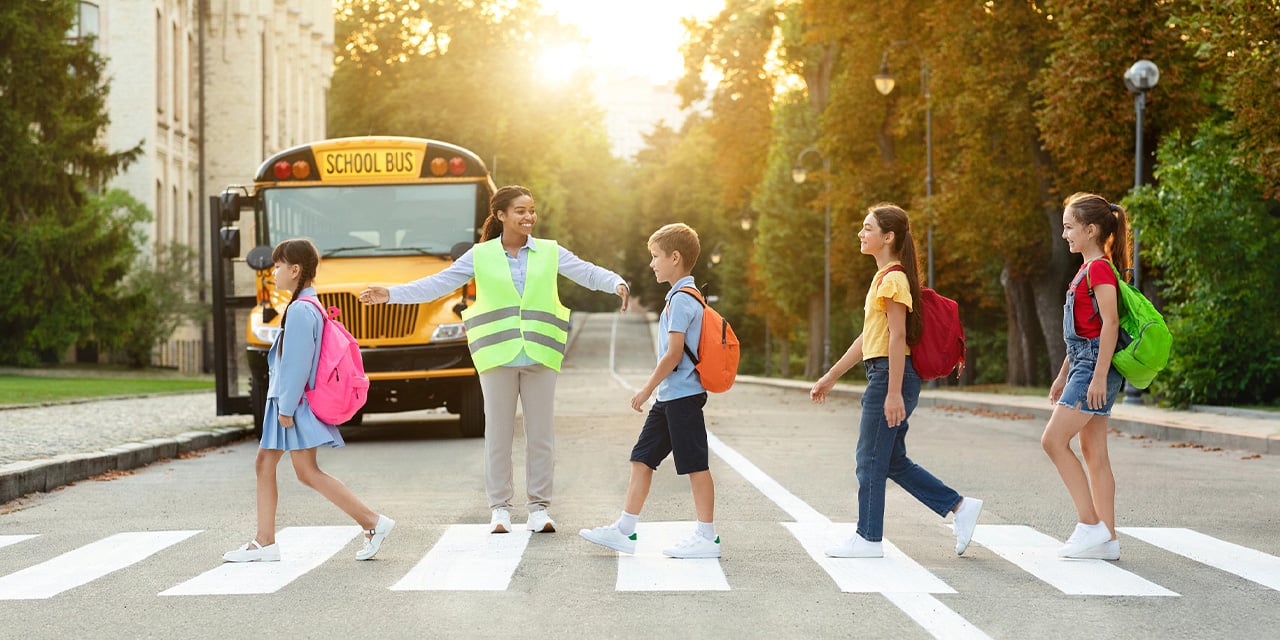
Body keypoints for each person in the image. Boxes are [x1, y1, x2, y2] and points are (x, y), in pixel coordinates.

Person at [360, 185, 629, 534]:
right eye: (520, 210)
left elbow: (588, 272)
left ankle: (538, 509)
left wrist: (616, 283)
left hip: (540, 354)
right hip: (496, 356)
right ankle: (500, 508)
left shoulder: (549, 252)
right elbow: (437, 285)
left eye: (531, 209)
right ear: (501, 215)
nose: (528, 216)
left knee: (541, 435)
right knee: (498, 435)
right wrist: (390, 294)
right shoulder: (480, 255)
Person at [808, 203, 983, 559]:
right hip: (885, 373)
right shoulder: (883, 279)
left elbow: (898, 338)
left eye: (867, 228)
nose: (861, 233)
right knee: (891, 461)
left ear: (888, 237)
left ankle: (868, 538)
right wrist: (830, 377)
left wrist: (891, 394)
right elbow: (866, 340)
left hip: (891, 376)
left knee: (869, 459)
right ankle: (960, 508)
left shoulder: (893, 280)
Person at [224, 238, 394, 563]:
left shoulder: (302, 309)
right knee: (284, 467)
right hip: (289, 402)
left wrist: (285, 408)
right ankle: (267, 541)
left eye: (277, 266)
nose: (274, 272)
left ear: (295, 269)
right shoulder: (306, 305)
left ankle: (373, 522)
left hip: (292, 403)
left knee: (302, 471)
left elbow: (297, 363)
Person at [579, 222, 721, 559]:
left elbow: (673, 355)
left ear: (675, 257)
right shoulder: (679, 297)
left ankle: (707, 537)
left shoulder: (683, 301)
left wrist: (645, 390)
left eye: (656, 256)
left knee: (695, 465)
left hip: (682, 397)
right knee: (642, 459)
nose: (652, 263)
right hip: (670, 398)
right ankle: (624, 531)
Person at [1042, 192, 1129, 561]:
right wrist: (1063, 375)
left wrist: (1098, 376)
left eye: (1069, 227)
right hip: (1083, 363)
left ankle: (1089, 525)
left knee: (1053, 441)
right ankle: (1107, 540)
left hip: (1094, 367)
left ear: (1091, 230)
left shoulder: (1099, 269)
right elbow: (1081, 333)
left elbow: (1110, 325)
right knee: (1094, 453)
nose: (1064, 234)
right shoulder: (1087, 268)